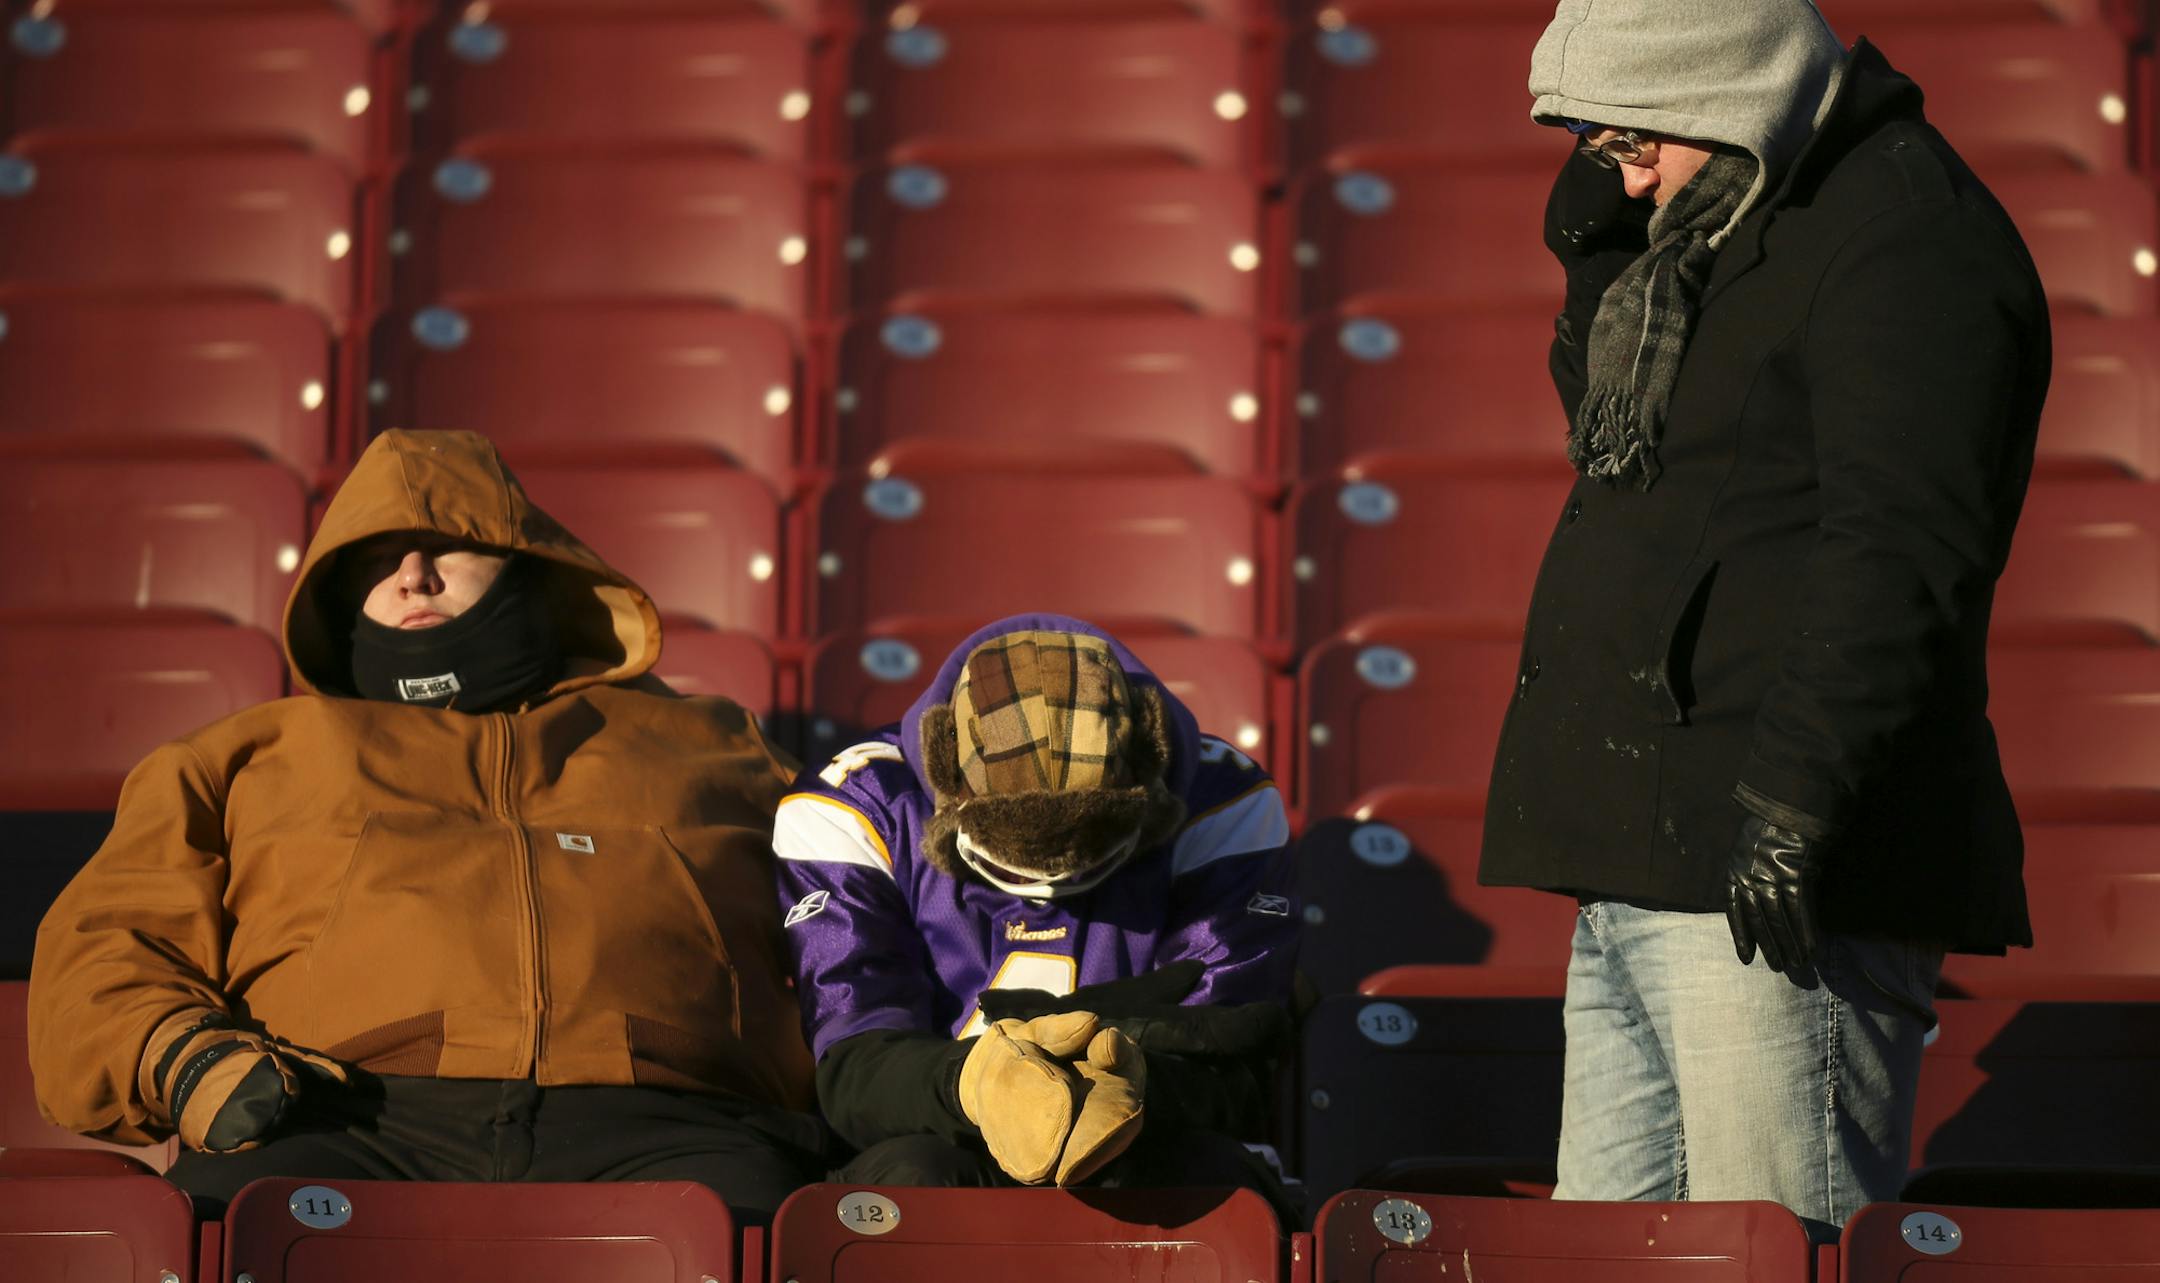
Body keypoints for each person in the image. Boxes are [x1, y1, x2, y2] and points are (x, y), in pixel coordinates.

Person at [1478, 0, 2051, 1236]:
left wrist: (1794, 807)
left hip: (1776, 873)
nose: (1625, 176)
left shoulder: (1906, 236)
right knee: (1611, 1259)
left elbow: (1903, 550)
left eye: (1636, 140)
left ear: (1725, 92)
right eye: (1597, 145)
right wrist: (1597, 261)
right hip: (1647, 847)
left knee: (1772, 1246)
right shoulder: (1723, 215)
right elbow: (1640, 466)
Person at [29, 429, 830, 1219]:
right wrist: (183, 1059)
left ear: (526, 565)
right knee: (220, 1222)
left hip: (672, 1123)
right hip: (339, 1116)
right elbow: (106, 947)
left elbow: (857, 911)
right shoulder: (242, 758)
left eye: (449, 545)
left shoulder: (717, 747)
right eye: (376, 559)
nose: (413, 576)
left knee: (784, 1226)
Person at [772, 616, 1297, 1204]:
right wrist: (976, 1086)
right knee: (915, 1181)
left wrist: (1133, 1075)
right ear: (942, 766)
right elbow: (856, 1064)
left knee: (1203, 1180)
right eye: (1015, 867)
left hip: (1145, 1129)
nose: (1047, 887)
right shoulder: (859, 804)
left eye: (1084, 862)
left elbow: (1234, 1061)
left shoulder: (1221, 800)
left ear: (1151, 768)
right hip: (938, 1133)